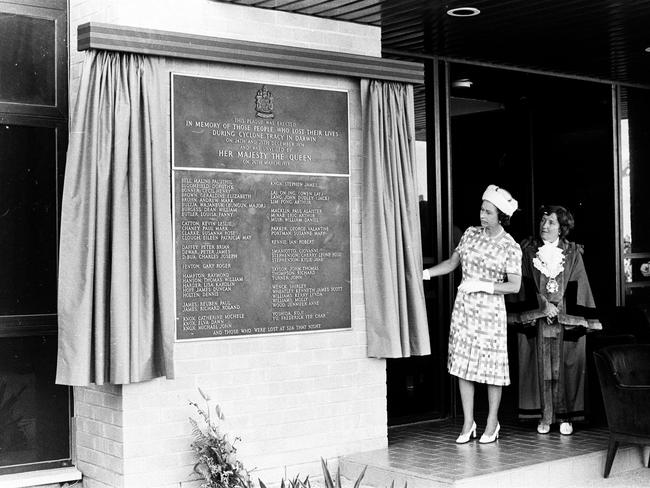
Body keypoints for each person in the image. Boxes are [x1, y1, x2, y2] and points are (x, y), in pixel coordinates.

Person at [423, 184, 522, 444]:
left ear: (501, 216)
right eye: (481, 210)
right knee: (462, 365)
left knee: (491, 368)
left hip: (490, 314)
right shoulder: (469, 234)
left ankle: (492, 422)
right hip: (465, 310)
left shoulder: (510, 247)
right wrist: (426, 273)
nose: (482, 215)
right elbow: (452, 263)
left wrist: (484, 285)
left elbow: (515, 285)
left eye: (488, 212)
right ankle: (468, 422)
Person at [511, 206, 600, 435]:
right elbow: (524, 283)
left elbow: (579, 285)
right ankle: (544, 416)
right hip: (538, 320)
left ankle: (564, 417)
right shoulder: (529, 250)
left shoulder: (572, 252)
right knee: (539, 367)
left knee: (564, 368)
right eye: (543, 220)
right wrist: (543, 306)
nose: (545, 225)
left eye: (551, 222)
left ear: (562, 228)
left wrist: (558, 309)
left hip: (563, 320)